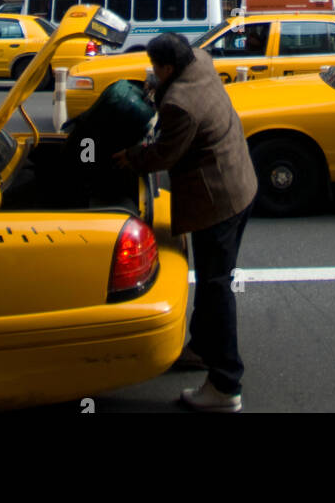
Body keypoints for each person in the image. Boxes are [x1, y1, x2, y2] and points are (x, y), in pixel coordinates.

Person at [114, 32, 257, 412]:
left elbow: (163, 154)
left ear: (169, 67)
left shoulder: (180, 103)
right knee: (215, 279)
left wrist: (131, 156)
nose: (153, 73)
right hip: (241, 181)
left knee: (215, 285)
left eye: (156, 69)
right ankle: (200, 348)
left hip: (218, 199)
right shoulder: (202, 60)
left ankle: (226, 385)